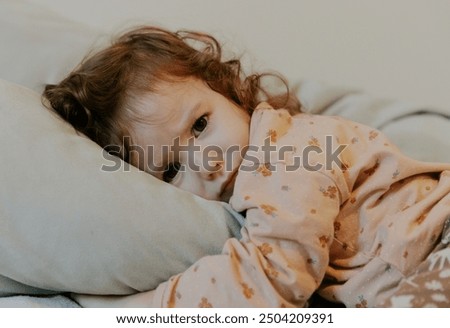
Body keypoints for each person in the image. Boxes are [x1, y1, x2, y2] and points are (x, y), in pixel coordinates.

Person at [44, 26, 450, 307]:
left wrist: (142, 306)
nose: (206, 162)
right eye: (170, 169)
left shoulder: (288, 153)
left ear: (228, 91)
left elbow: (274, 280)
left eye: (201, 125)